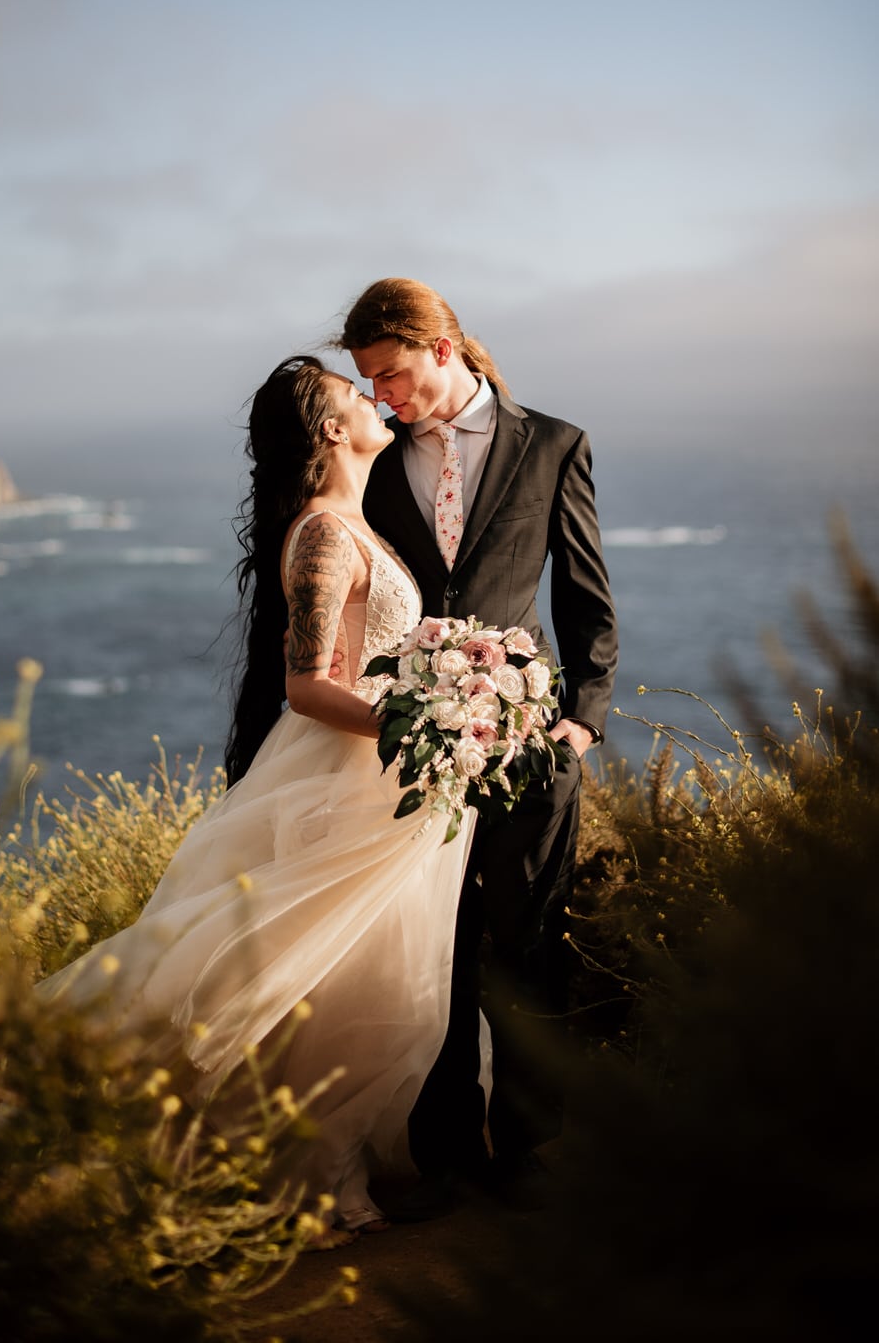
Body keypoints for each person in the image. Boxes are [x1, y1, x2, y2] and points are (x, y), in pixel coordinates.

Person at [36, 356, 478, 1242]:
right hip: (347, 777)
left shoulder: (354, 520)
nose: (375, 400)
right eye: (358, 395)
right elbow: (308, 686)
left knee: (365, 980)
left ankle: (328, 1175)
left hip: (388, 777)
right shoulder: (322, 533)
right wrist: (424, 726)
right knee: (314, 976)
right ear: (329, 429)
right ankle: (296, 1183)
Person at [337, 279, 618, 1213]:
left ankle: (534, 1151)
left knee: (530, 944)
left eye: (392, 374)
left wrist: (584, 718)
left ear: (443, 348)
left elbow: (585, 594)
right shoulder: (378, 459)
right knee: (435, 954)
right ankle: (447, 1159)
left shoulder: (553, 445)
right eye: (368, 381)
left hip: (530, 743)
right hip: (416, 755)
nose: (382, 396)